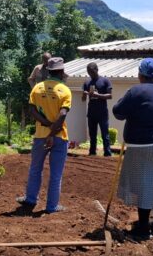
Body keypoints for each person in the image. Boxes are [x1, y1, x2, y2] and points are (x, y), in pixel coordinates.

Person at [112, 58, 153, 242]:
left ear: (140, 74)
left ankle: (144, 229)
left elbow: (118, 112)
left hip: (142, 145)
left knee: (143, 184)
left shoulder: (135, 91)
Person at [17, 56, 71, 213]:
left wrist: (46, 126)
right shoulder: (65, 90)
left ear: (48, 71)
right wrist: (53, 131)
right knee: (56, 174)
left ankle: (31, 199)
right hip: (59, 136)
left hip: (40, 135)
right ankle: (51, 207)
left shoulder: (37, 88)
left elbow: (32, 111)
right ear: (61, 72)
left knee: (35, 169)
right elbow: (62, 115)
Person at [81, 62, 113, 156]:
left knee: (105, 135)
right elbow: (83, 100)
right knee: (92, 135)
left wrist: (97, 95)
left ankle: (107, 153)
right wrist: (84, 94)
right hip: (91, 113)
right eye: (88, 72)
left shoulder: (105, 81)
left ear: (96, 70)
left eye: (91, 71)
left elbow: (110, 95)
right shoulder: (87, 82)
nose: (90, 74)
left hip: (102, 113)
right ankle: (92, 153)